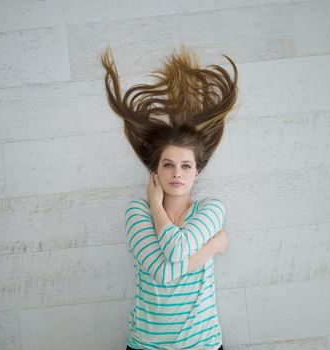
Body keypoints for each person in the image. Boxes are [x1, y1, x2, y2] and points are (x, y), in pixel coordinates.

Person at [101, 44, 238, 349]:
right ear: (156, 172)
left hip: (203, 344)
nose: (177, 173)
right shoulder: (137, 212)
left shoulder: (211, 209)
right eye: (168, 165)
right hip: (145, 345)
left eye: (186, 166)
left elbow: (175, 255)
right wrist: (213, 246)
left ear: (196, 173)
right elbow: (166, 271)